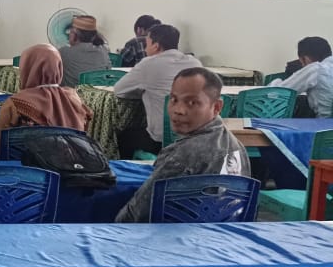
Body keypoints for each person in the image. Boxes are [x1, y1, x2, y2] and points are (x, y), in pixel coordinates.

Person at [116, 68, 249, 222]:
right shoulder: (238, 147)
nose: (178, 110)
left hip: (179, 239)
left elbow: (138, 213)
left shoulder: (183, 155)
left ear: (217, 107)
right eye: (174, 99)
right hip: (225, 236)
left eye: (192, 102)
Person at [0, 44, 93, 158]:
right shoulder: (74, 98)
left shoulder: (16, 103)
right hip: (71, 168)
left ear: (26, 68)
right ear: (58, 67)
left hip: (28, 172)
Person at [113, 24, 203, 158]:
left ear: (156, 46)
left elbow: (119, 90)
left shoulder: (148, 64)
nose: (145, 48)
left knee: (124, 136)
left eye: (147, 44)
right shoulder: (195, 63)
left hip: (161, 139)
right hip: (195, 135)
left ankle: (132, 173)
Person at [269, 36, 333, 117]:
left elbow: (280, 92)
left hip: (324, 125)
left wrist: (276, 81)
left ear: (305, 59)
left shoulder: (316, 69)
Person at [57, 15, 110, 87]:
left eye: (70, 31)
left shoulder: (63, 52)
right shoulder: (103, 51)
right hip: (96, 95)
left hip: (71, 96)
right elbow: (108, 72)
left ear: (76, 34)